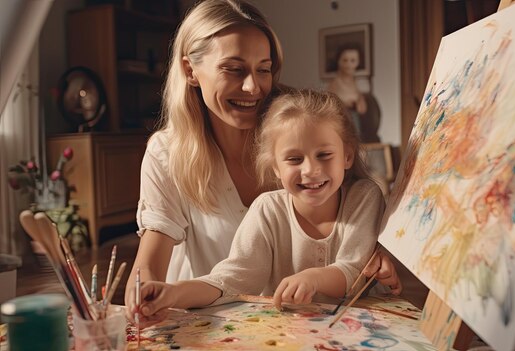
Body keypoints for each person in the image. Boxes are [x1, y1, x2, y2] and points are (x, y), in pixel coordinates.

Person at [125, 0, 401, 319]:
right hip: (210, 319)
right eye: (234, 68)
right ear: (190, 71)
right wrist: (147, 295)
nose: (253, 87)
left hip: (299, 322)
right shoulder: (166, 152)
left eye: (264, 69)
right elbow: (170, 267)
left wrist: (375, 247)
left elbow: (352, 225)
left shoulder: (297, 129)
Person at [135, 89, 388, 322]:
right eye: (294, 159)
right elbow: (234, 277)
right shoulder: (267, 209)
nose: (311, 170)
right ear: (276, 167)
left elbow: (356, 271)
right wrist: (173, 293)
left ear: (347, 155)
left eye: (324, 155)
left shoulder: (364, 197)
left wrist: (313, 279)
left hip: (359, 330)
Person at [327, 44, 381, 143]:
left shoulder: (357, 82)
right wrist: (345, 104)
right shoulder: (335, 83)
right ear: (339, 61)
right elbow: (332, 102)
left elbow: (362, 104)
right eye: (345, 60)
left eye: (352, 61)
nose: (348, 65)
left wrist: (360, 101)